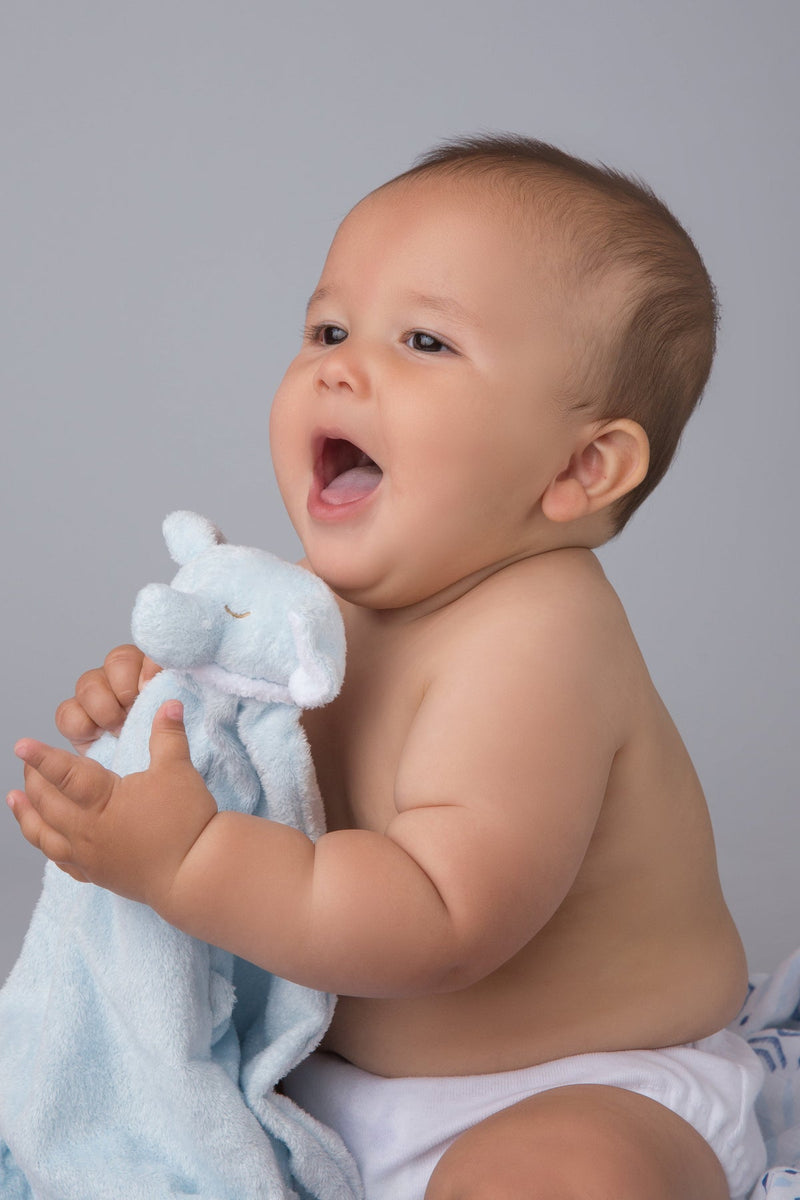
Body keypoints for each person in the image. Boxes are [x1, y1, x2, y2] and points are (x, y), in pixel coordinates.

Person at [7, 135, 766, 1199]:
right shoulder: (307, 614)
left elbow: (438, 920)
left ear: (579, 466)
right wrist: (165, 722)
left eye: (422, 340)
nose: (339, 364)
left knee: (561, 1179)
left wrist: (188, 863)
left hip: (575, 1088)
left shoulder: (539, 635)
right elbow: (264, 781)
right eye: (327, 327)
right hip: (318, 1084)